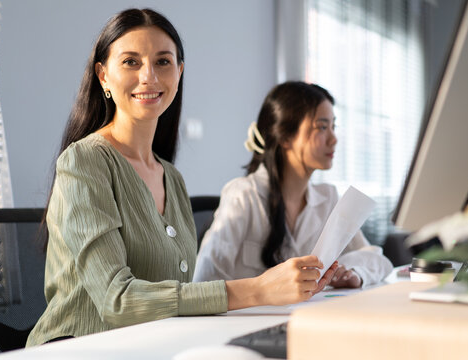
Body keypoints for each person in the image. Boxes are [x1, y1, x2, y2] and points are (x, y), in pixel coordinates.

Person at [26, 9, 338, 346]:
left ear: (179, 72)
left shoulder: (171, 177)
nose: (149, 76)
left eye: (163, 62)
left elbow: (179, 290)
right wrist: (258, 289)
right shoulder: (83, 161)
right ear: (103, 75)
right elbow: (117, 300)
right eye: (131, 62)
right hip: (81, 348)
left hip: (155, 346)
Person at [193, 82, 393, 287]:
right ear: (285, 137)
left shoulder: (328, 198)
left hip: (306, 316)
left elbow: (377, 259)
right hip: (251, 318)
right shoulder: (244, 195)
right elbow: (204, 283)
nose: (334, 139)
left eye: (334, 127)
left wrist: (355, 273)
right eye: (322, 127)